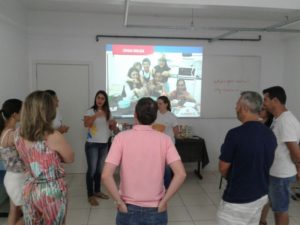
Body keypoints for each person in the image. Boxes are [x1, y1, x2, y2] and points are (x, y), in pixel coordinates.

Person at [102, 97, 186, 225]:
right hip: (156, 208)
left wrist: (118, 202)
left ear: (135, 114)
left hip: (127, 208)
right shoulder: (165, 140)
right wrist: (164, 201)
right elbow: (181, 174)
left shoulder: (121, 138)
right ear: (155, 116)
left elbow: (106, 175)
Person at [14, 90, 74, 225]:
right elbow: (70, 158)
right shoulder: (53, 135)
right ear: (48, 110)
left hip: (29, 188)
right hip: (51, 190)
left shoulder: (17, 134)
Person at [217, 91, 277, 225]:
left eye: (237, 104)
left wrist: (234, 177)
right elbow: (268, 163)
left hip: (238, 199)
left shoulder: (234, 134)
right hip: (260, 195)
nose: (235, 107)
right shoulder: (270, 134)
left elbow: (223, 168)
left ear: (244, 108)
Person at [262, 86, 300, 225]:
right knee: (274, 207)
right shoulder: (279, 119)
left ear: (275, 100)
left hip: (281, 175)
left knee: (280, 211)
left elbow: (297, 154)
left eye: (266, 100)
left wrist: (297, 167)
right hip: (275, 173)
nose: (263, 103)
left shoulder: (285, 121)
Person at [83, 90, 116, 206]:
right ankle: (90, 195)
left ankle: (97, 191)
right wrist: (96, 115)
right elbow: (86, 124)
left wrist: (113, 124)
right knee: (91, 171)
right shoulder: (90, 111)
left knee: (99, 170)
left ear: (105, 100)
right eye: (98, 98)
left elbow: (111, 128)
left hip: (104, 144)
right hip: (92, 144)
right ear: (95, 99)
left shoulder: (108, 112)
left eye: (102, 98)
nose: (100, 100)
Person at [0, 99, 24, 225]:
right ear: (15, 114)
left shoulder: (5, 132)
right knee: (33, 215)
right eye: (23, 110)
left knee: (13, 212)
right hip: (18, 179)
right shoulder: (13, 134)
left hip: (12, 178)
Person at [153, 96, 179, 189]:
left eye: (160, 103)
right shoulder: (155, 114)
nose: (158, 105)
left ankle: (167, 186)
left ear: (166, 104)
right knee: (157, 166)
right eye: (157, 103)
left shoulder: (171, 116)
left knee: (167, 167)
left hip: (168, 144)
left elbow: (176, 131)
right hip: (156, 144)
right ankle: (157, 185)